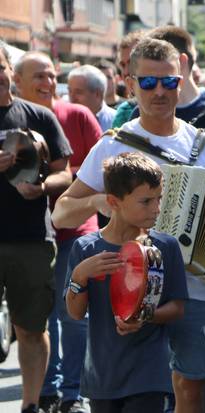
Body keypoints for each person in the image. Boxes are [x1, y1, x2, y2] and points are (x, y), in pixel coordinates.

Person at [51, 38, 205, 413]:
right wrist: (98, 201)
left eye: (168, 81)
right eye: (148, 83)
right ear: (130, 83)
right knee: (137, 394)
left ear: (181, 79)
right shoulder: (112, 146)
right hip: (130, 286)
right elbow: (62, 213)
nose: (159, 91)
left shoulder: (204, 145)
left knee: (191, 389)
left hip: (197, 289)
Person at [13, 51, 103, 413]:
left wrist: (60, 177)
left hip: (75, 231)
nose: (48, 83)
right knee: (39, 320)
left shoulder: (77, 115)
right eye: (39, 76)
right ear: (17, 81)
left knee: (75, 316)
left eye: (52, 76)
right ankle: (45, 391)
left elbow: (104, 164)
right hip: (30, 237)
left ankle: (73, 393)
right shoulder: (11, 120)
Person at [65, 152, 188, 413]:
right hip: (103, 375)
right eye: (146, 201)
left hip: (149, 374)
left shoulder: (165, 246)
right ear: (113, 202)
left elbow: (177, 308)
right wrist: (79, 276)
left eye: (159, 199)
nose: (156, 208)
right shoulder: (86, 249)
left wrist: (145, 316)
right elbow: (75, 313)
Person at [0, 41, 73, 413]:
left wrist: (42, 187)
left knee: (32, 327)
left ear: (9, 69)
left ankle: (30, 404)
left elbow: (66, 172)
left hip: (31, 239)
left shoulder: (39, 116)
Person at [111, 30, 147, 129]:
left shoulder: (169, 105)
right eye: (122, 65)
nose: (126, 71)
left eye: (131, 62)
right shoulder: (124, 112)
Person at [68, 65, 117, 131]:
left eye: (78, 92)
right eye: (70, 91)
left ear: (97, 94)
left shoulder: (117, 122)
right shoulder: (64, 119)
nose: (72, 98)